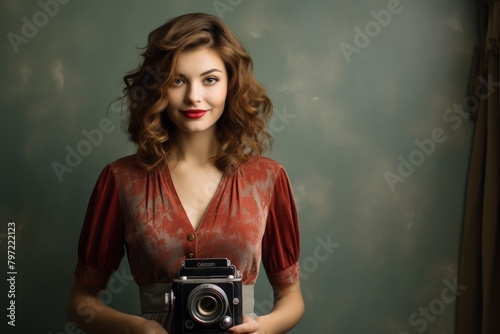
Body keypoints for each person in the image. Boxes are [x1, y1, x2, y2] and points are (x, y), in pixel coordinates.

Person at [66, 12, 304, 334]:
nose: (194, 96)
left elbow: (291, 297)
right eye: (178, 80)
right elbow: (80, 304)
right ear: (158, 88)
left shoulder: (267, 178)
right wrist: (139, 329)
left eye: (210, 79)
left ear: (230, 84)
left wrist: (265, 328)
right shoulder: (121, 179)